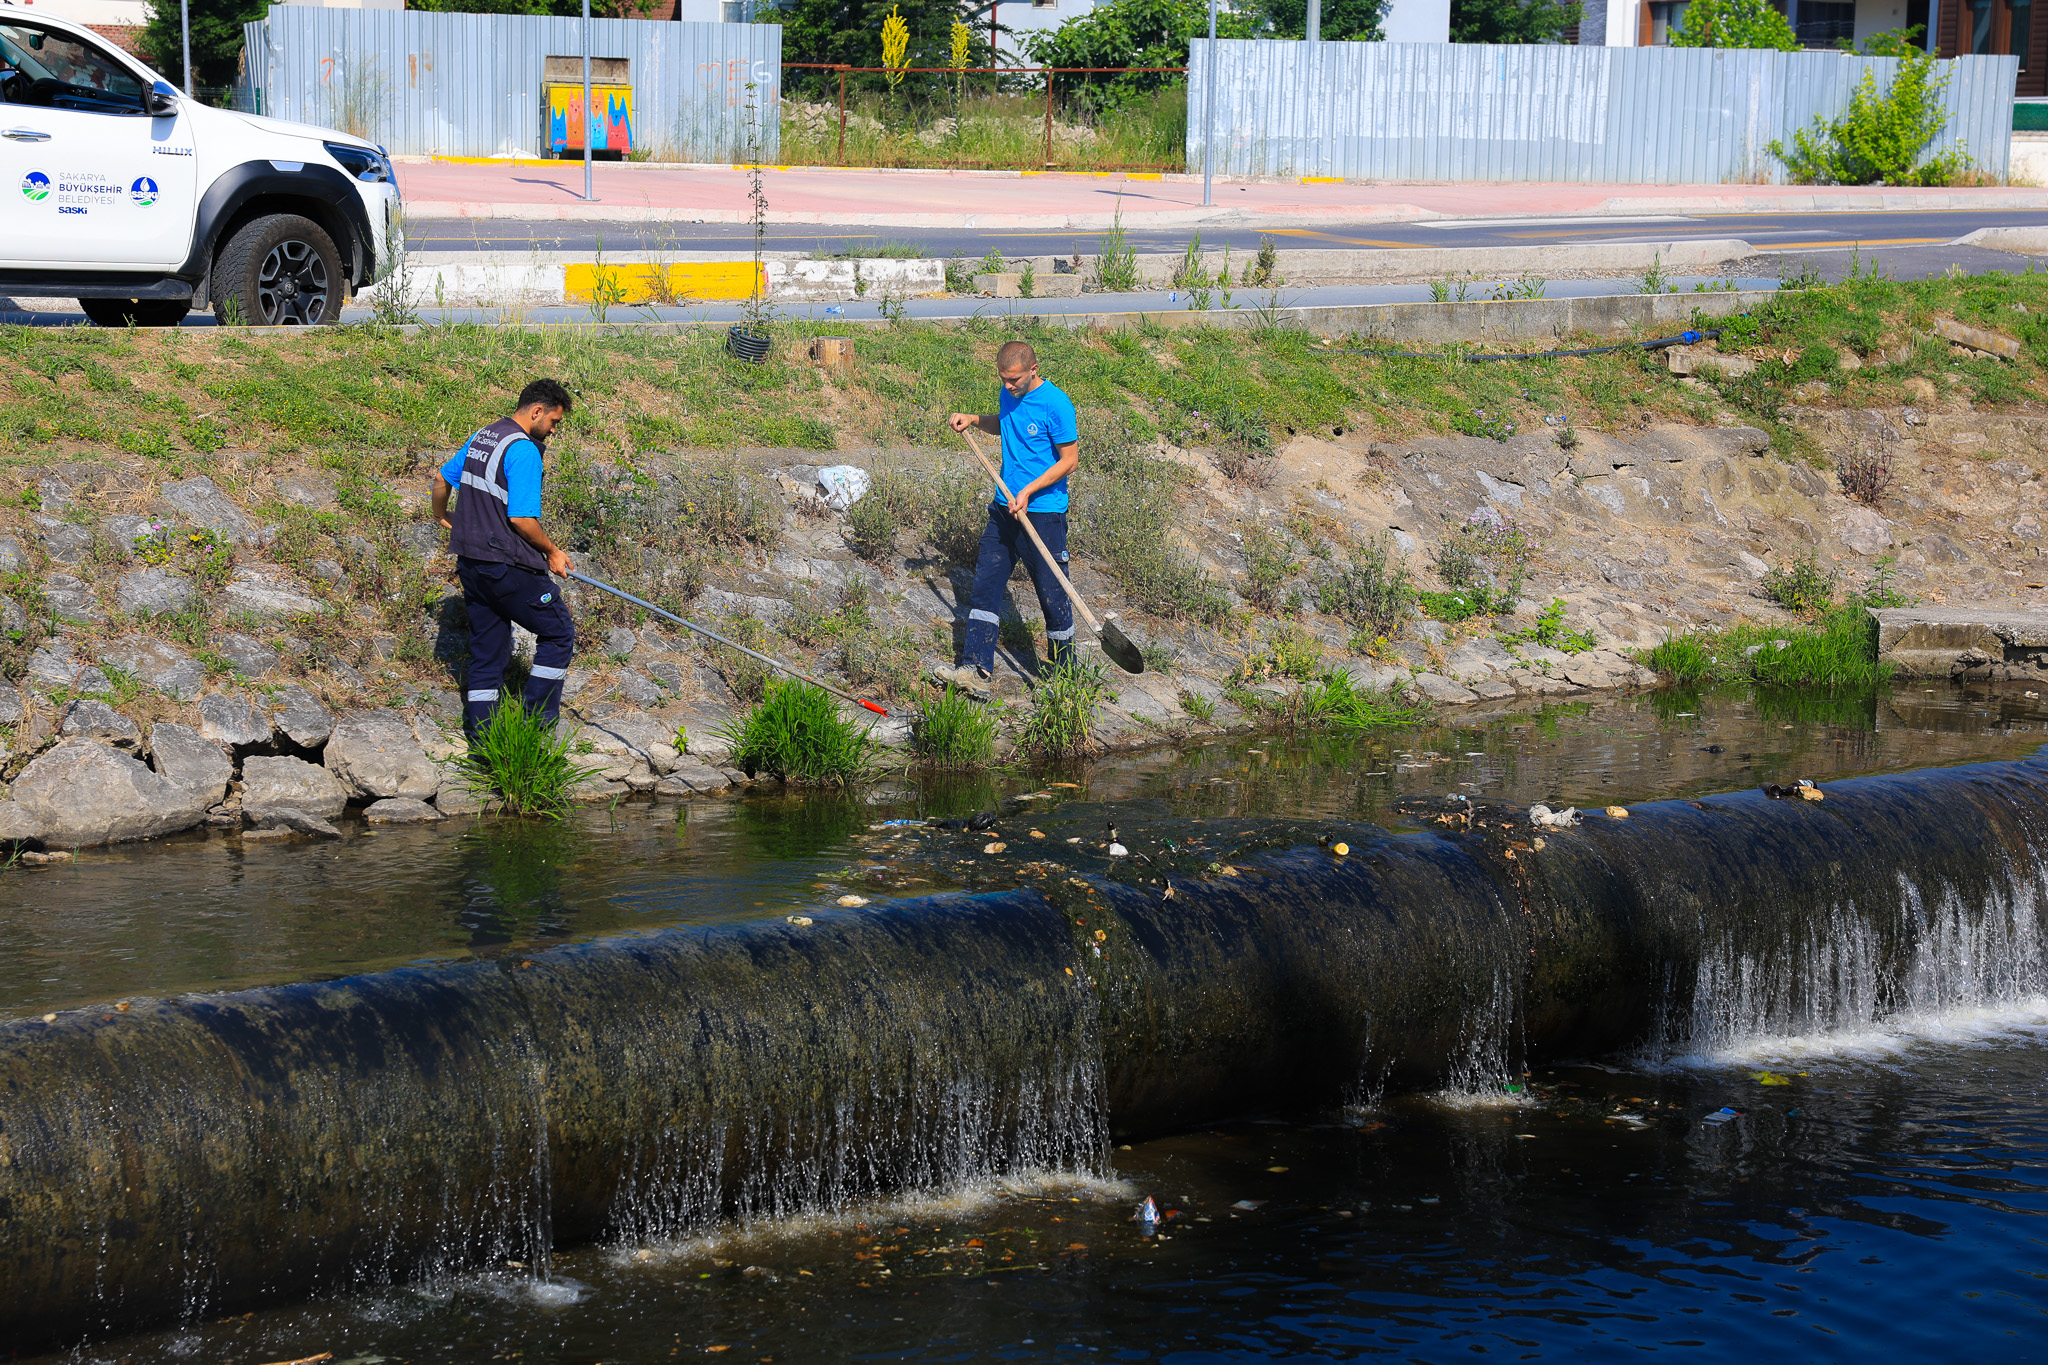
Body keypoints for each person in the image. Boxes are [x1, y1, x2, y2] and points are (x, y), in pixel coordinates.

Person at [432, 378, 578, 739]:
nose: (554, 430)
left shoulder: (485, 436)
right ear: (537, 411)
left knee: (488, 653)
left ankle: (483, 742)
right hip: (507, 566)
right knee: (558, 632)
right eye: (554, 422)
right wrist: (552, 551)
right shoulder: (524, 450)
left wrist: (441, 516)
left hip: (471, 563)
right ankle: (535, 729)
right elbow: (521, 519)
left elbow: (441, 479)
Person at [936, 340, 1078, 696]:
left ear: (1033, 370)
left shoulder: (1057, 404)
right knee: (986, 585)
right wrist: (974, 420)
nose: (1008, 385)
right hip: (1003, 508)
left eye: (1014, 379)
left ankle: (1065, 680)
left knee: (1052, 595)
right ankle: (975, 669)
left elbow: (1069, 461)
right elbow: (1006, 424)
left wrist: (1029, 491)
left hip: (1043, 514)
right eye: (1003, 379)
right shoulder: (1009, 394)